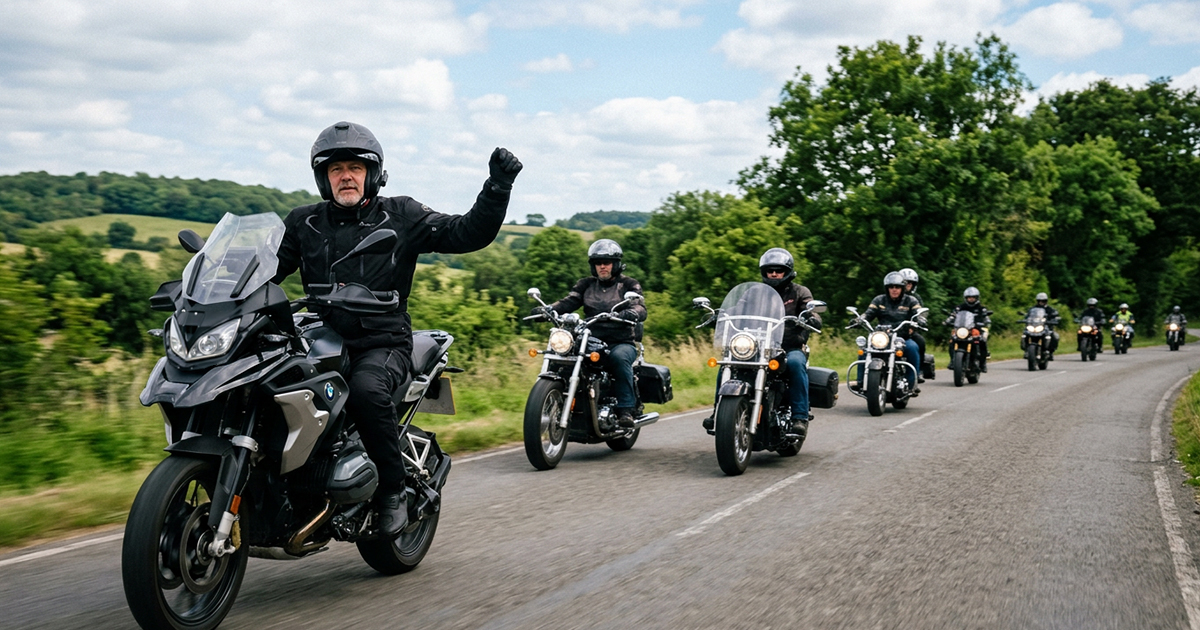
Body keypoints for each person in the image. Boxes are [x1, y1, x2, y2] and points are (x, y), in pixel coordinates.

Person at [271, 121, 522, 537]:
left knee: (367, 391)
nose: (345, 176)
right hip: (317, 337)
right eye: (335, 169)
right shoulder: (304, 223)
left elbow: (465, 233)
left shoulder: (401, 215)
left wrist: (497, 187)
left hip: (381, 340)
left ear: (372, 173)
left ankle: (393, 489)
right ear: (323, 177)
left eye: (354, 167)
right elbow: (264, 272)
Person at [536, 239, 646, 429]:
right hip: (590, 340)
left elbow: (640, 306)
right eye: (598, 263)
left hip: (620, 341)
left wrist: (632, 312)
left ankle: (626, 409)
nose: (602, 266)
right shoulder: (586, 284)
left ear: (616, 264)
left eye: (607, 262)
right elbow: (568, 302)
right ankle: (555, 403)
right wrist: (546, 310)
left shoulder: (628, 284)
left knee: (619, 359)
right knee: (561, 358)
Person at [759, 248, 821, 437]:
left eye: (779, 270)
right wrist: (723, 315)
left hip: (789, 347)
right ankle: (718, 411)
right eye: (771, 270)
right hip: (760, 346)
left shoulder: (800, 292)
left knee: (795, 363)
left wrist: (812, 318)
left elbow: (812, 311)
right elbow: (740, 307)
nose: (774, 274)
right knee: (729, 363)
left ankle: (799, 417)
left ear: (787, 271)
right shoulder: (758, 292)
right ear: (765, 272)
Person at [859, 272, 923, 392]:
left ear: (902, 288)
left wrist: (920, 319)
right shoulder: (879, 300)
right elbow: (869, 313)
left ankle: (912, 382)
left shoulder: (911, 300)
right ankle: (861, 381)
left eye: (897, 287)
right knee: (864, 349)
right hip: (882, 337)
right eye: (891, 287)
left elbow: (918, 312)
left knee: (913, 347)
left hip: (901, 337)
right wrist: (860, 319)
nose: (894, 290)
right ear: (887, 288)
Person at [898, 268, 932, 382]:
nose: (908, 285)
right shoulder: (891, 296)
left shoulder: (916, 298)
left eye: (910, 283)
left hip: (910, 329)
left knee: (920, 343)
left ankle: (919, 371)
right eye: (905, 282)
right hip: (892, 330)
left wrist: (916, 323)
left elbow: (920, 312)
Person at [946, 286, 991, 372]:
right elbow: (953, 315)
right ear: (966, 298)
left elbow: (986, 318)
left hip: (975, 329)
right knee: (952, 340)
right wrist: (948, 320)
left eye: (973, 297)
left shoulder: (981, 308)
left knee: (982, 341)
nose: (971, 299)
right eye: (969, 297)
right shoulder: (960, 307)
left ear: (977, 298)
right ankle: (952, 361)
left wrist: (986, 321)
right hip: (962, 329)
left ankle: (982, 363)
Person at [1027, 292, 1061, 357]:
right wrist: (1026, 319)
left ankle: (1050, 351)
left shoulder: (1050, 309)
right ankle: (1026, 350)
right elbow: (1028, 316)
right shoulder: (1033, 309)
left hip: (1046, 327)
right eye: (1039, 301)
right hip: (1034, 326)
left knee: (1054, 336)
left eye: (1043, 301)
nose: (1041, 302)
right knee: (1025, 334)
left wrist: (1054, 319)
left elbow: (1055, 315)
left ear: (1046, 301)